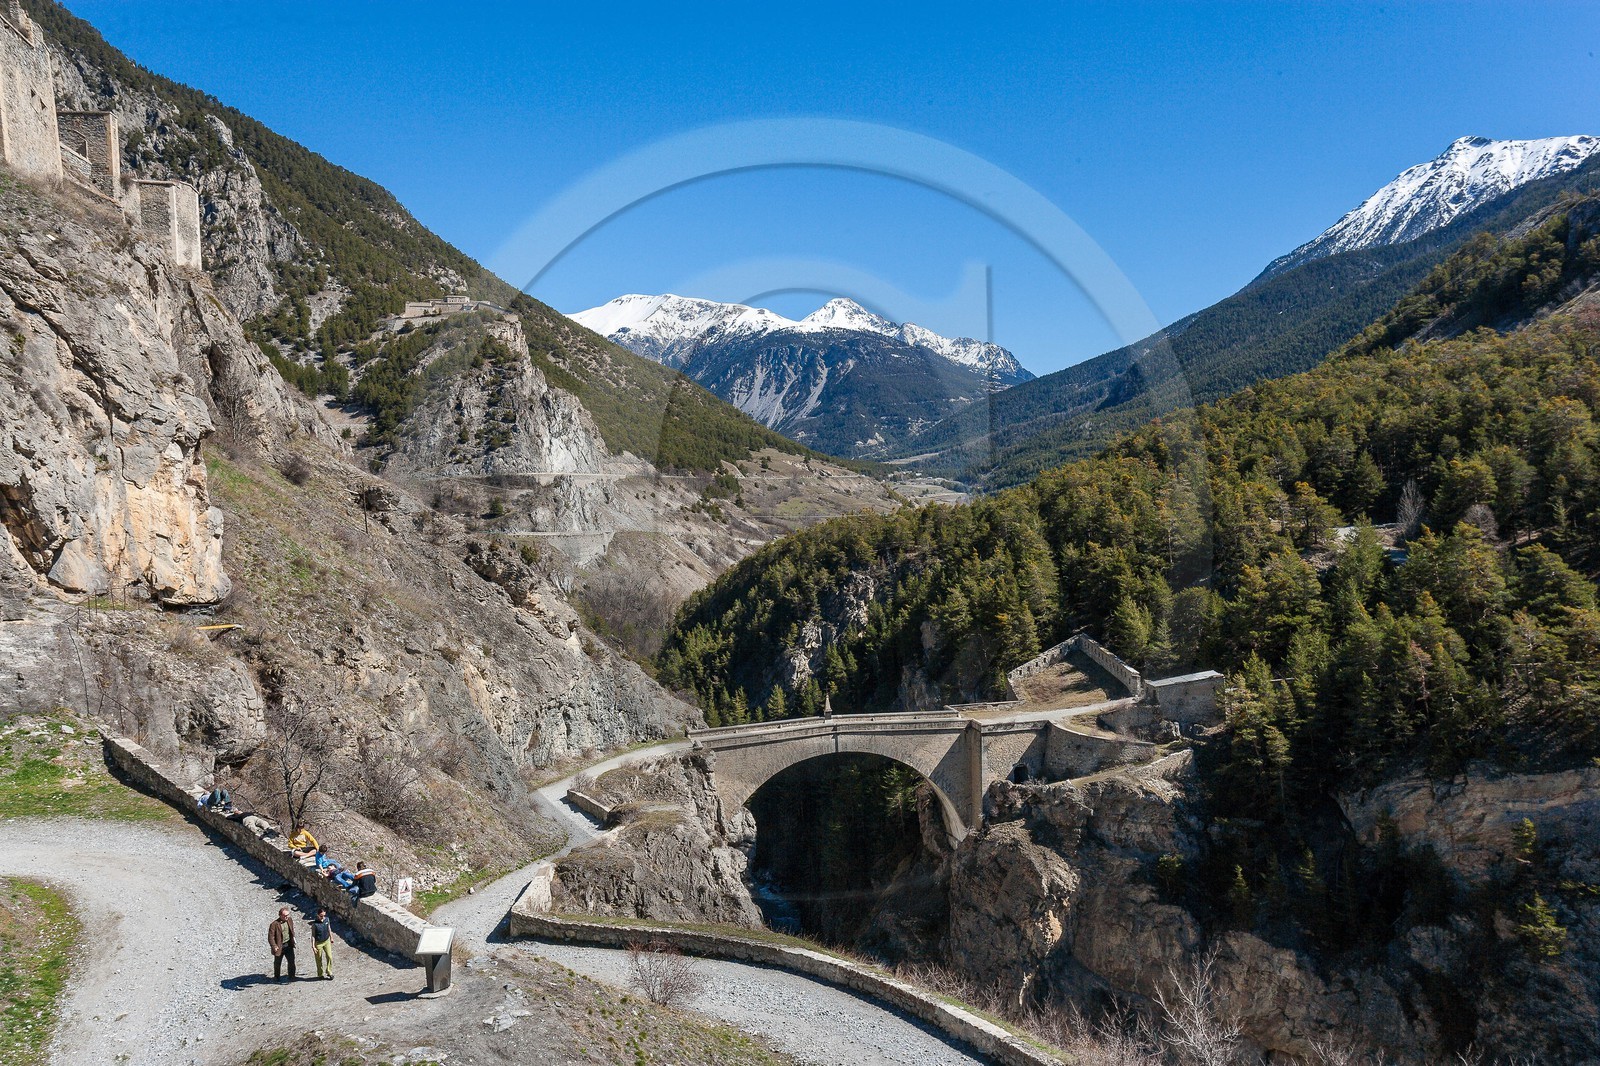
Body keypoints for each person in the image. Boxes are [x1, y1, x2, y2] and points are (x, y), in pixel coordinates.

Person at [267, 907, 296, 982]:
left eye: (288, 915)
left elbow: (291, 929)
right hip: (279, 946)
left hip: (288, 945)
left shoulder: (289, 920)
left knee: (291, 961)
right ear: (280, 915)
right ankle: (276, 977)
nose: (287, 917)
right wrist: (274, 946)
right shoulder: (274, 924)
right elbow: (270, 937)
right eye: (285, 915)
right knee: (277, 963)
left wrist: (293, 938)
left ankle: (292, 976)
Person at [309, 907, 334, 980]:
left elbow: (329, 928)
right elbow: (313, 935)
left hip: (326, 941)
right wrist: (313, 946)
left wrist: (331, 937)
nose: (322, 917)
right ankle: (320, 974)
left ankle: (329, 971)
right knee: (319, 959)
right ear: (318, 915)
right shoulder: (315, 924)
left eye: (324, 915)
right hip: (318, 943)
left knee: (329, 956)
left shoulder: (327, 920)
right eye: (321, 916)